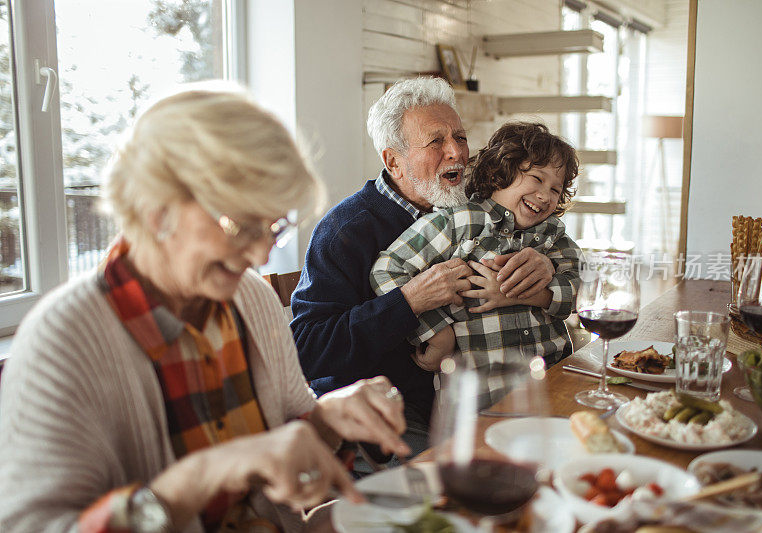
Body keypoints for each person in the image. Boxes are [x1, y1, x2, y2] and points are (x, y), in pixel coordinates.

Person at [0, 84, 411, 533]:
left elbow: (290, 426)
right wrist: (204, 474)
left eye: (274, 227)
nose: (259, 256)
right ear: (156, 209)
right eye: (240, 225)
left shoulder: (249, 298)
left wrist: (330, 418)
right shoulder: (63, 340)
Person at [291, 78, 558, 457]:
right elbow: (307, 349)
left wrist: (542, 262)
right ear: (393, 161)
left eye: (460, 137)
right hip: (392, 417)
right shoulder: (345, 230)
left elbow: (543, 236)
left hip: (473, 396)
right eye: (436, 142)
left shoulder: (475, 207)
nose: (457, 153)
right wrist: (409, 301)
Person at [370, 122, 581, 397]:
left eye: (556, 189)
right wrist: (435, 331)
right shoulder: (459, 222)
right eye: (537, 179)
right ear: (501, 172)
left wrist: (535, 295)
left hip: (553, 383)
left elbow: (584, 293)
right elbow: (387, 269)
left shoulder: (554, 235)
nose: (545, 196)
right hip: (480, 397)